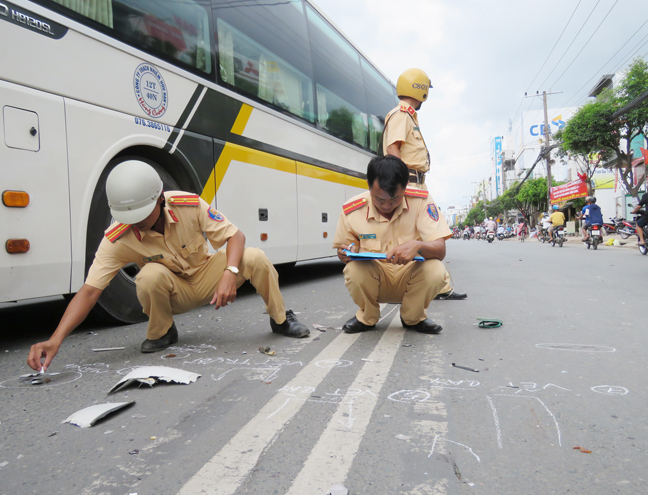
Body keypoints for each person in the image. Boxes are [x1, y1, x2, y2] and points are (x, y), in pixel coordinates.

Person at [27, 161, 309, 371]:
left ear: (160, 199)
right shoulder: (117, 238)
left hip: (208, 277)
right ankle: (162, 331)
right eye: (127, 217)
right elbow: (89, 292)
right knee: (148, 276)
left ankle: (281, 319)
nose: (135, 223)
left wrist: (229, 272)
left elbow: (236, 236)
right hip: (175, 291)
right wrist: (55, 340)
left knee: (255, 256)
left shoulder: (189, 206)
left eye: (141, 215)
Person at [333, 155, 451, 334]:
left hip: (411, 278)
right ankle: (367, 317)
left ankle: (413, 318)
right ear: (368, 185)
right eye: (379, 199)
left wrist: (417, 246)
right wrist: (345, 253)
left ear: (405, 187)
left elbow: (440, 249)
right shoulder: (352, 210)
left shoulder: (421, 201)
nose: (386, 206)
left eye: (394, 199)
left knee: (436, 269)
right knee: (353, 269)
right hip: (375, 279)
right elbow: (344, 249)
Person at [382, 68, 466, 301]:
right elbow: (392, 150)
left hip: (416, 185)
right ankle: (432, 287)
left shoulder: (408, 116)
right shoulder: (400, 115)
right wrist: (399, 186)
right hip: (409, 186)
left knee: (428, 236)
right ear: (421, 90)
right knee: (431, 234)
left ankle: (442, 287)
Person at [631, 182, 648, 246]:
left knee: (638, 224)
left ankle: (642, 241)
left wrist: (634, 211)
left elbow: (639, 206)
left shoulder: (646, 195)